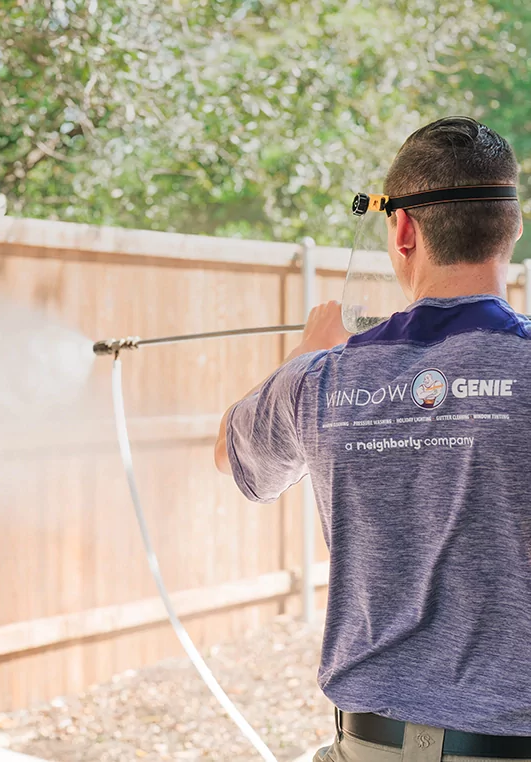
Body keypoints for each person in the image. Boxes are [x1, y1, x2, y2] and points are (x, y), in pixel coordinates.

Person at [214, 116, 531, 762]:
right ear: (512, 228)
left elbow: (230, 453)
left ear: (402, 229)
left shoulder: (322, 379)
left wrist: (303, 355)